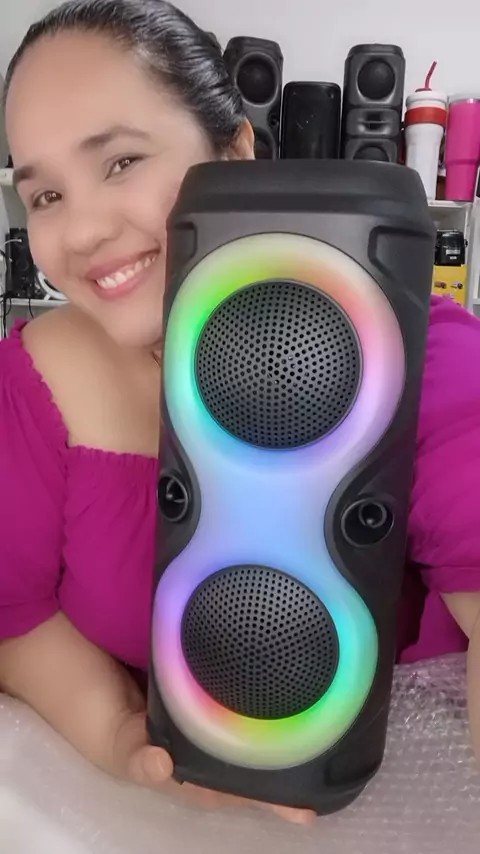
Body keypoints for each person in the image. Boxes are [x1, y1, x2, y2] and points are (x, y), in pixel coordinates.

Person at [1, 0, 480, 825]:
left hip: (383, 811)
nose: (81, 233)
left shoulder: (404, 351)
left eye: (120, 162)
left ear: (234, 153)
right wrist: (121, 735)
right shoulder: (28, 379)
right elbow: (15, 610)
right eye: (44, 194)